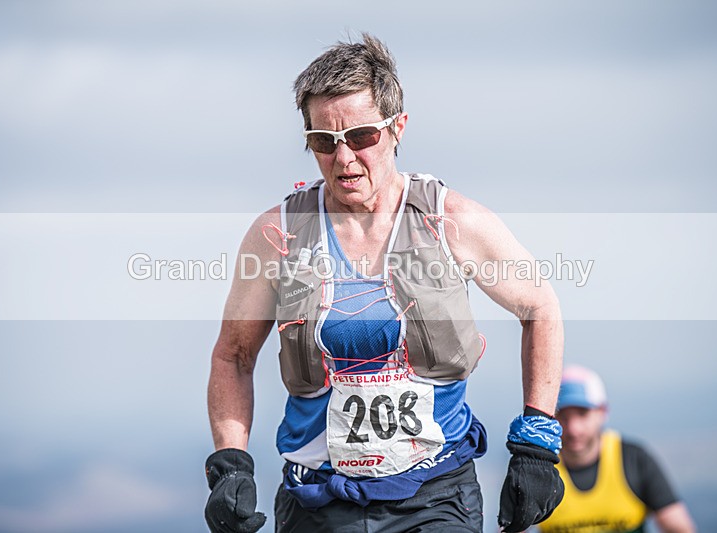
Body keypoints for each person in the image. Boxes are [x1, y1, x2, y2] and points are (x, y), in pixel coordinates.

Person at [203, 33, 565, 533]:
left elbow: (539, 306)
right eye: (323, 142)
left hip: (435, 495)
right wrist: (230, 464)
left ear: (397, 129)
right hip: (316, 500)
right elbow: (234, 355)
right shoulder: (278, 235)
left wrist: (536, 445)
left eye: (362, 136)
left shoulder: (449, 219)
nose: (344, 157)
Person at [538, 365, 697, 533]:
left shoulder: (634, 459)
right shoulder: (539, 469)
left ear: (602, 412)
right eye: (562, 415)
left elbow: (679, 527)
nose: (573, 428)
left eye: (582, 414)